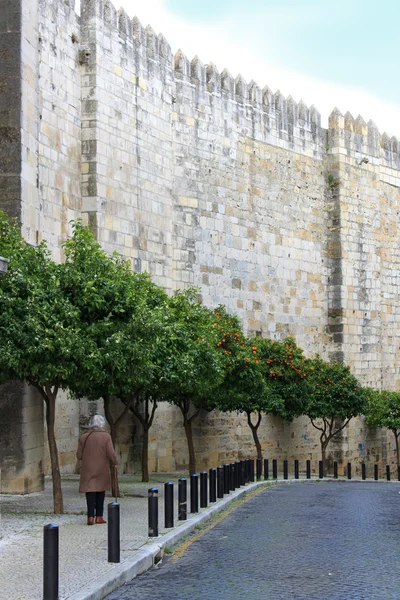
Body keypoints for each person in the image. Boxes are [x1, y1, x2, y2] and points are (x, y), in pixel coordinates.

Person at [76, 414, 118, 525]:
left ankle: (90, 517)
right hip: (101, 468)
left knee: (90, 491)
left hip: (87, 468)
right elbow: (111, 454)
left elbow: (79, 455)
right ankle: (99, 516)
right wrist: (115, 462)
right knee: (100, 491)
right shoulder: (106, 437)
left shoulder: (84, 437)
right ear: (102, 424)